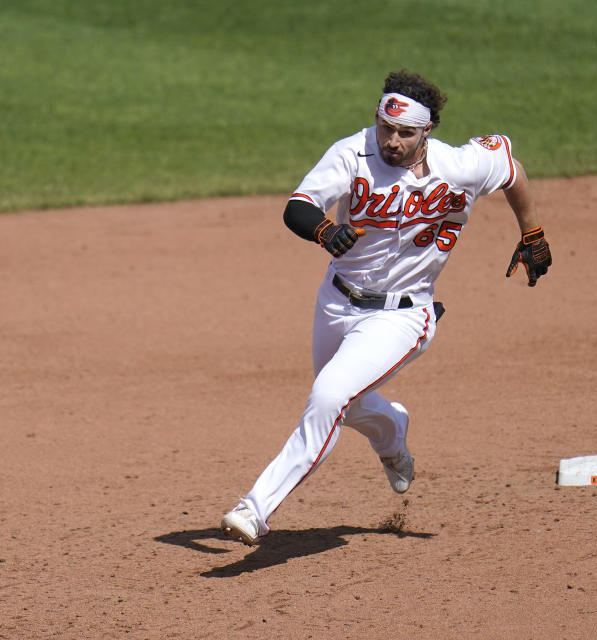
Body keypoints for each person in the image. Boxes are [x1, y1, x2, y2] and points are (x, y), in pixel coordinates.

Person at [220, 69, 551, 545]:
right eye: (385, 127)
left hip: (403, 315)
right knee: (345, 405)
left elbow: (512, 171)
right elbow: (299, 204)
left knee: (329, 397)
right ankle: (393, 430)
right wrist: (324, 230)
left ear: (428, 130)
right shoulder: (353, 152)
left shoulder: (461, 164)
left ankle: (254, 509)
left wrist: (533, 232)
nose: (391, 141)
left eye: (404, 133)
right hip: (336, 304)